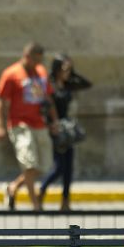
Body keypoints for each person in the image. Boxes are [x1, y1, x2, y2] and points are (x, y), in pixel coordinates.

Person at [0, 42, 60, 211]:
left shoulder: (41, 72)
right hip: (20, 124)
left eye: (40, 61)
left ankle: (13, 187)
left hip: (40, 123)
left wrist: (55, 121)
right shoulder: (11, 74)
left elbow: (49, 99)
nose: (37, 64)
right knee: (29, 164)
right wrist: (0, 126)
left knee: (44, 166)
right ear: (26, 57)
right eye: (35, 60)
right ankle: (36, 205)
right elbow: (1, 101)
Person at [38, 54, 92, 211]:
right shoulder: (50, 85)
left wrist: (72, 72)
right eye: (63, 68)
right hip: (54, 127)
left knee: (69, 166)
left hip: (67, 128)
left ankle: (65, 201)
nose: (66, 72)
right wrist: (50, 125)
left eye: (69, 69)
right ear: (56, 68)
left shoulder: (68, 84)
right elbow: (45, 106)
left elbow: (87, 84)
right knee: (59, 167)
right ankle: (41, 190)